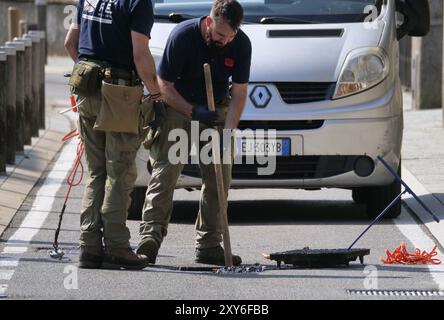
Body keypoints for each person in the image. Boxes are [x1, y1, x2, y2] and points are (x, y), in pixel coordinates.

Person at [137, 0, 252, 266]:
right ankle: (150, 239)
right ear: (209, 21)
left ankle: (209, 244)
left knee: (218, 176)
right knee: (167, 170)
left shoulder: (241, 43)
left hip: (216, 108)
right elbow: (163, 85)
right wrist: (192, 111)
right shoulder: (183, 35)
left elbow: (240, 93)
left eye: (229, 36)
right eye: (220, 34)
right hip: (178, 103)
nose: (224, 40)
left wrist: (228, 133)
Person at [64, 0, 162, 270]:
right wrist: (155, 93)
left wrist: (93, 75)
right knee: (119, 171)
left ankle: (90, 245)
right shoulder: (137, 3)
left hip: (86, 88)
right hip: (120, 93)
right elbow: (140, 55)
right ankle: (117, 245)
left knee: (96, 171)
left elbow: (70, 43)